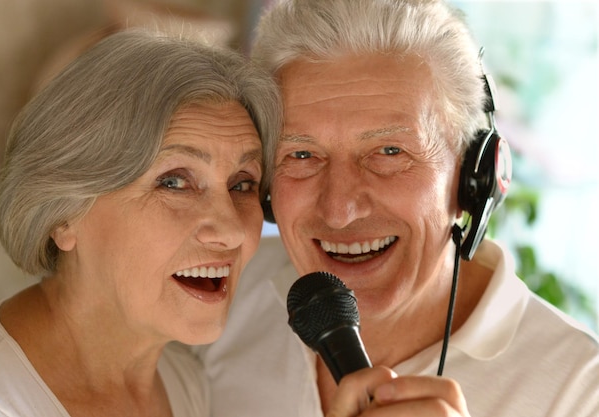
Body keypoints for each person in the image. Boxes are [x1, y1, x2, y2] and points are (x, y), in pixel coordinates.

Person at [192, 1, 599, 416]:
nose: (339, 211)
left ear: (471, 179)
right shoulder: (224, 299)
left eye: (389, 151)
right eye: (301, 155)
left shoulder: (580, 390)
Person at [0, 28, 280, 416]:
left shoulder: (184, 383)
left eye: (243, 184)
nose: (233, 230)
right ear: (65, 213)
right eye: (174, 182)